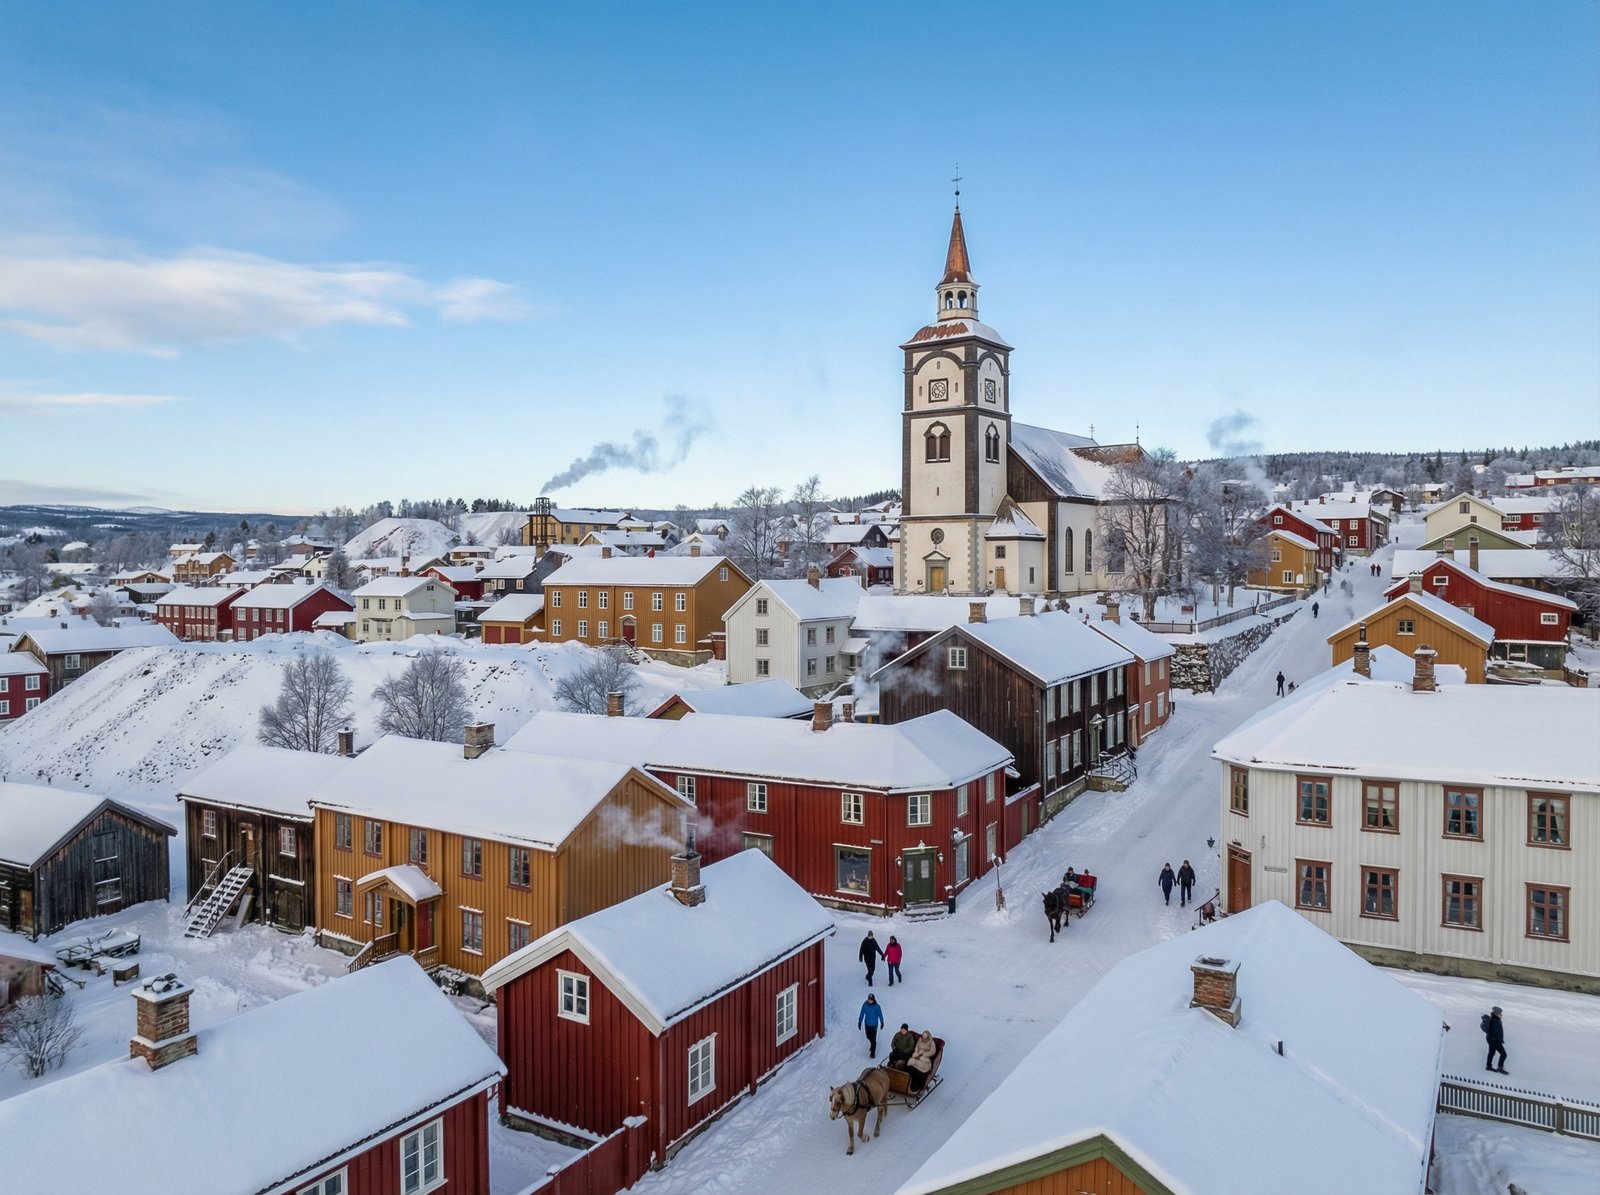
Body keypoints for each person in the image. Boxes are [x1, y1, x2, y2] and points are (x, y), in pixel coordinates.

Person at [858, 993, 885, 1058]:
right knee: (868, 1037)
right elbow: (862, 1013)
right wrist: (859, 1022)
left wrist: (882, 1022)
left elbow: (880, 1015)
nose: (870, 1001)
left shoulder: (877, 1006)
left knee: (873, 1039)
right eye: (869, 1000)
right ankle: (873, 1044)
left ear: (873, 1000)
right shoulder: (865, 1005)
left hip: (874, 1026)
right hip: (867, 1024)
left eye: (871, 1000)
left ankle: (872, 1053)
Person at [1483, 1006, 1507, 1074]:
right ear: (1496, 1014)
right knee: (1503, 1054)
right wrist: (1499, 1040)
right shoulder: (1494, 1021)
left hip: (1491, 1039)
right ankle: (1500, 1067)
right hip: (1494, 1041)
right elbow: (1495, 1032)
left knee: (1491, 1052)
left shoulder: (1495, 1020)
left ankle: (1488, 1066)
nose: (1501, 1015)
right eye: (1500, 1013)